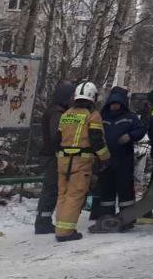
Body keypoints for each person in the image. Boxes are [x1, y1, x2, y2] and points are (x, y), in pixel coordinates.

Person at [53, 82, 109, 242]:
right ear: (93, 97)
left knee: (62, 193)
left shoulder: (66, 114)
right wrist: (105, 158)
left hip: (63, 159)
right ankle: (65, 232)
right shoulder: (93, 115)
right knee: (75, 195)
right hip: (81, 160)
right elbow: (96, 140)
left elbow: (57, 139)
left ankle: (60, 226)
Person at [91, 86, 143, 223]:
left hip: (124, 158)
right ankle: (106, 217)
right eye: (112, 104)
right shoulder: (102, 117)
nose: (114, 106)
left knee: (125, 189)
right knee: (107, 189)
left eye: (117, 104)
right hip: (105, 159)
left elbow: (140, 130)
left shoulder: (129, 117)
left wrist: (130, 136)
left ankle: (127, 217)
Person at [33, 80, 75, 235]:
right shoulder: (57, 113)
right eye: (71, 96)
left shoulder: (54, 110)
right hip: (53, 156)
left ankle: (44, 220)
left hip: (51, 155)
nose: (73, 100)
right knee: (51, 189)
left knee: (52, 188)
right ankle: (43, 222)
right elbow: (56, 135)